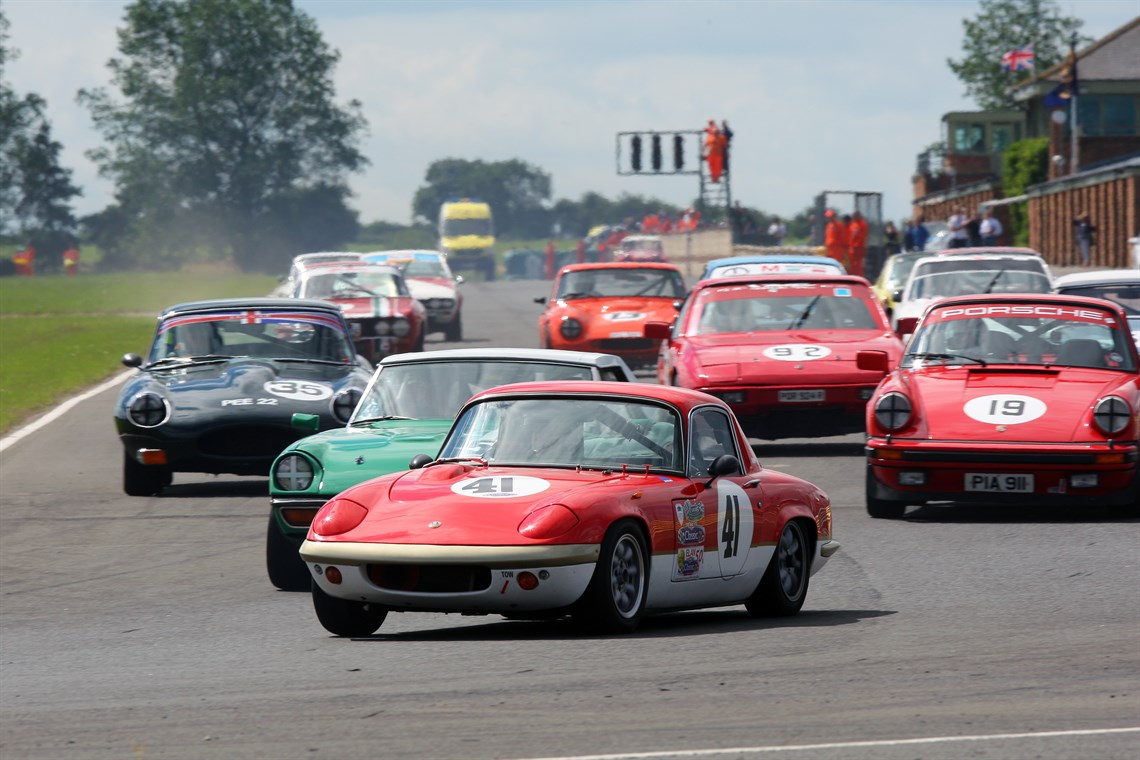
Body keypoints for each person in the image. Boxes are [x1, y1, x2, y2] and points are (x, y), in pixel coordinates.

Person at [847, 210, 869, 278]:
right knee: (852, 265)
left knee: (859, 265)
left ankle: (859, 277)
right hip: (852, 249)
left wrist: (856, 245)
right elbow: (850, 236)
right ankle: (852, 277)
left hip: (859, 249)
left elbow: (862, 236)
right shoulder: (853, 225)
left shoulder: (863, 224)